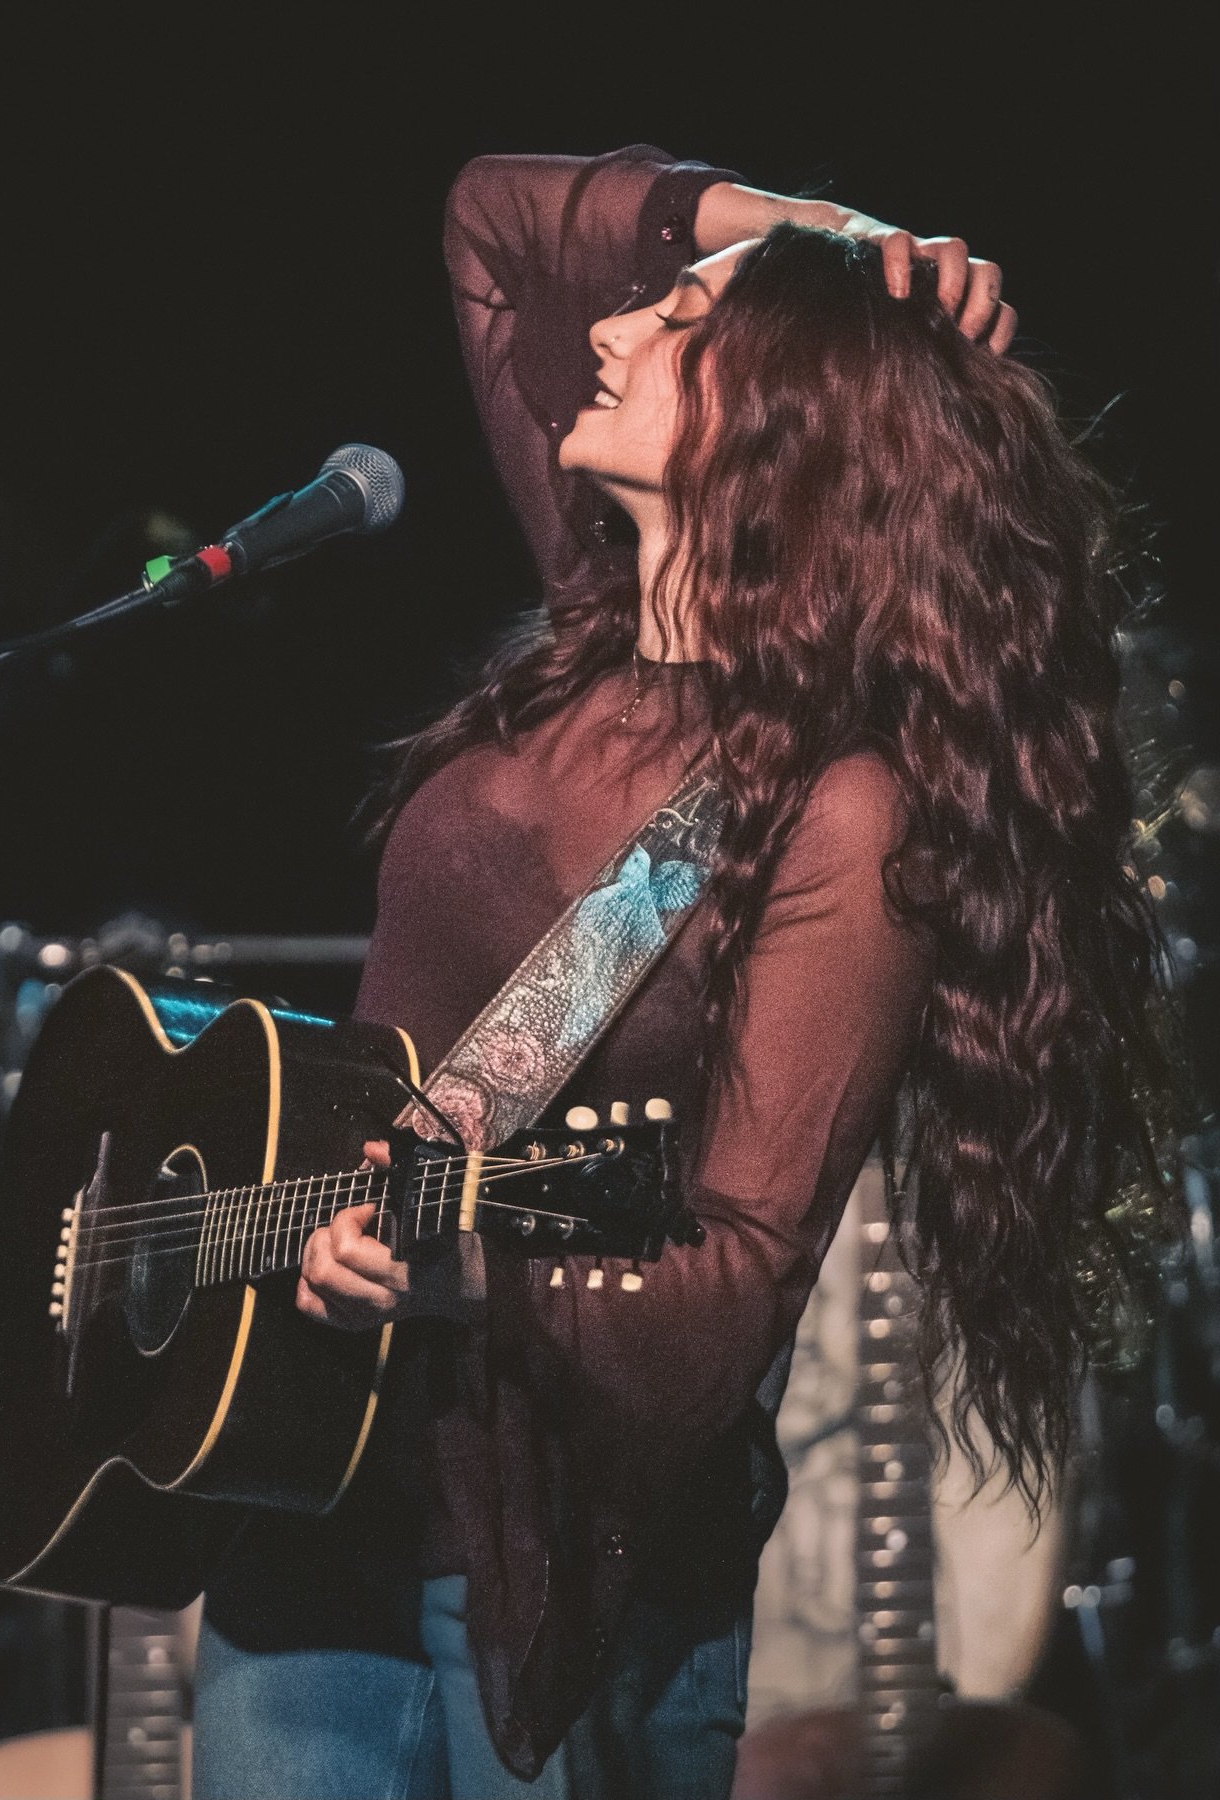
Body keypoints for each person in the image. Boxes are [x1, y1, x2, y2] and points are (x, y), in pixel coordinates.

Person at [191, 146, 1171, 1800]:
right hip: (313, 1501)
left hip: (547, 1580)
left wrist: (465, 1277)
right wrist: (836, 237)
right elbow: (495, 221)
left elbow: (733, 1279)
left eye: (686, 312)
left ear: (783, 420)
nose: (627, 320)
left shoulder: (839, 818)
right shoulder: (589, 618)